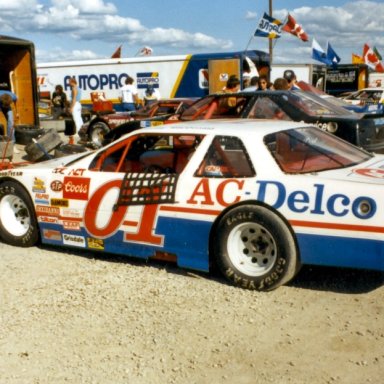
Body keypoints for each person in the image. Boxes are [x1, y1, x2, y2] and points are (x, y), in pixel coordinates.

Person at [0, 84, 18, 153]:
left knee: (11, 121)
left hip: (7, 104)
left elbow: (16, 103)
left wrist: (17, 112)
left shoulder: (13, 96)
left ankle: (12, 144)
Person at [68, 77, 83, 144]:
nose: (68, 83)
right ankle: (82, 131)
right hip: (79, 104)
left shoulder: (74, 89)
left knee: (76, 119)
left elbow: (74, 99)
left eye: (69, 82)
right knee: (79, 118)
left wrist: (71, 107)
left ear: (72, 82)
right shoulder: (79, 88)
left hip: (75, 104)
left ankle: (78, 133)